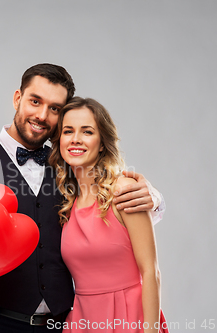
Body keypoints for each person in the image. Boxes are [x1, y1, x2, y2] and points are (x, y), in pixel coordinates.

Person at [0, 64, 165, 333]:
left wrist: (152, 196)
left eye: (55, 108)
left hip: (62, 326)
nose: (41, 115)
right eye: (35, 101)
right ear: (17, 99)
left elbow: (112, 201)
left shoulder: (69, 164)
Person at [48, 97, 168, 333]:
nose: (76, 139)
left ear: (102, 142)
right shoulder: (66, 202)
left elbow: (150, 271)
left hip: (128, 318)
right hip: (83, 321)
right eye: (68, 131)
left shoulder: (123, 190)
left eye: (87, 132)